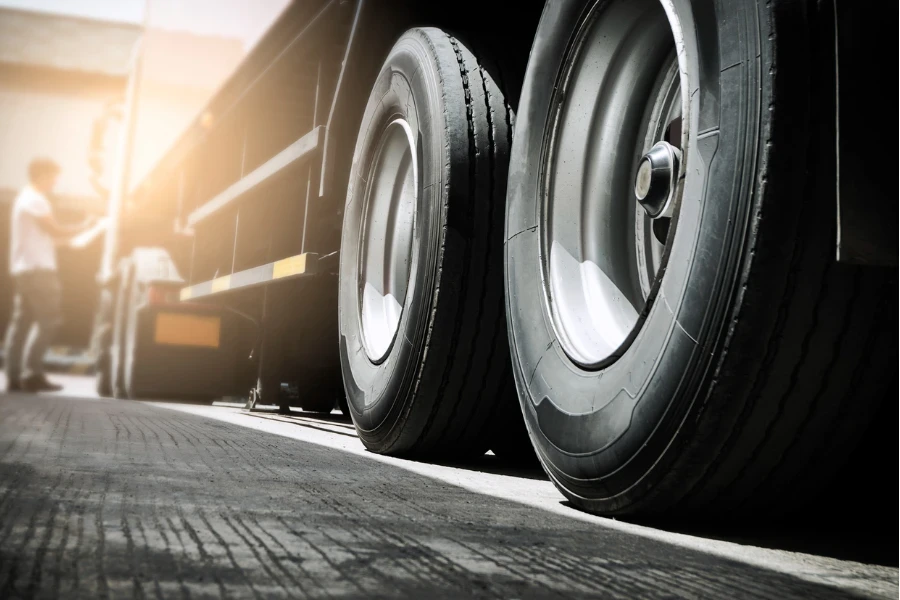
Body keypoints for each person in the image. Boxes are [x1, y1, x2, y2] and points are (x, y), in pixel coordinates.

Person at [4, 158, 94, 392]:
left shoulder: (24, 199)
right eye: (54, 176)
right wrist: (86, 226)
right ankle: (32, 373)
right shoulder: (36, 199)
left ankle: (14, 378)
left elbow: (48, 239)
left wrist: (73, 240)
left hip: (25, 269)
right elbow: (54, 229)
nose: (55, 181)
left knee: (21, 322)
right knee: (49, 321)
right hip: (39, 271)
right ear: (42, 175)